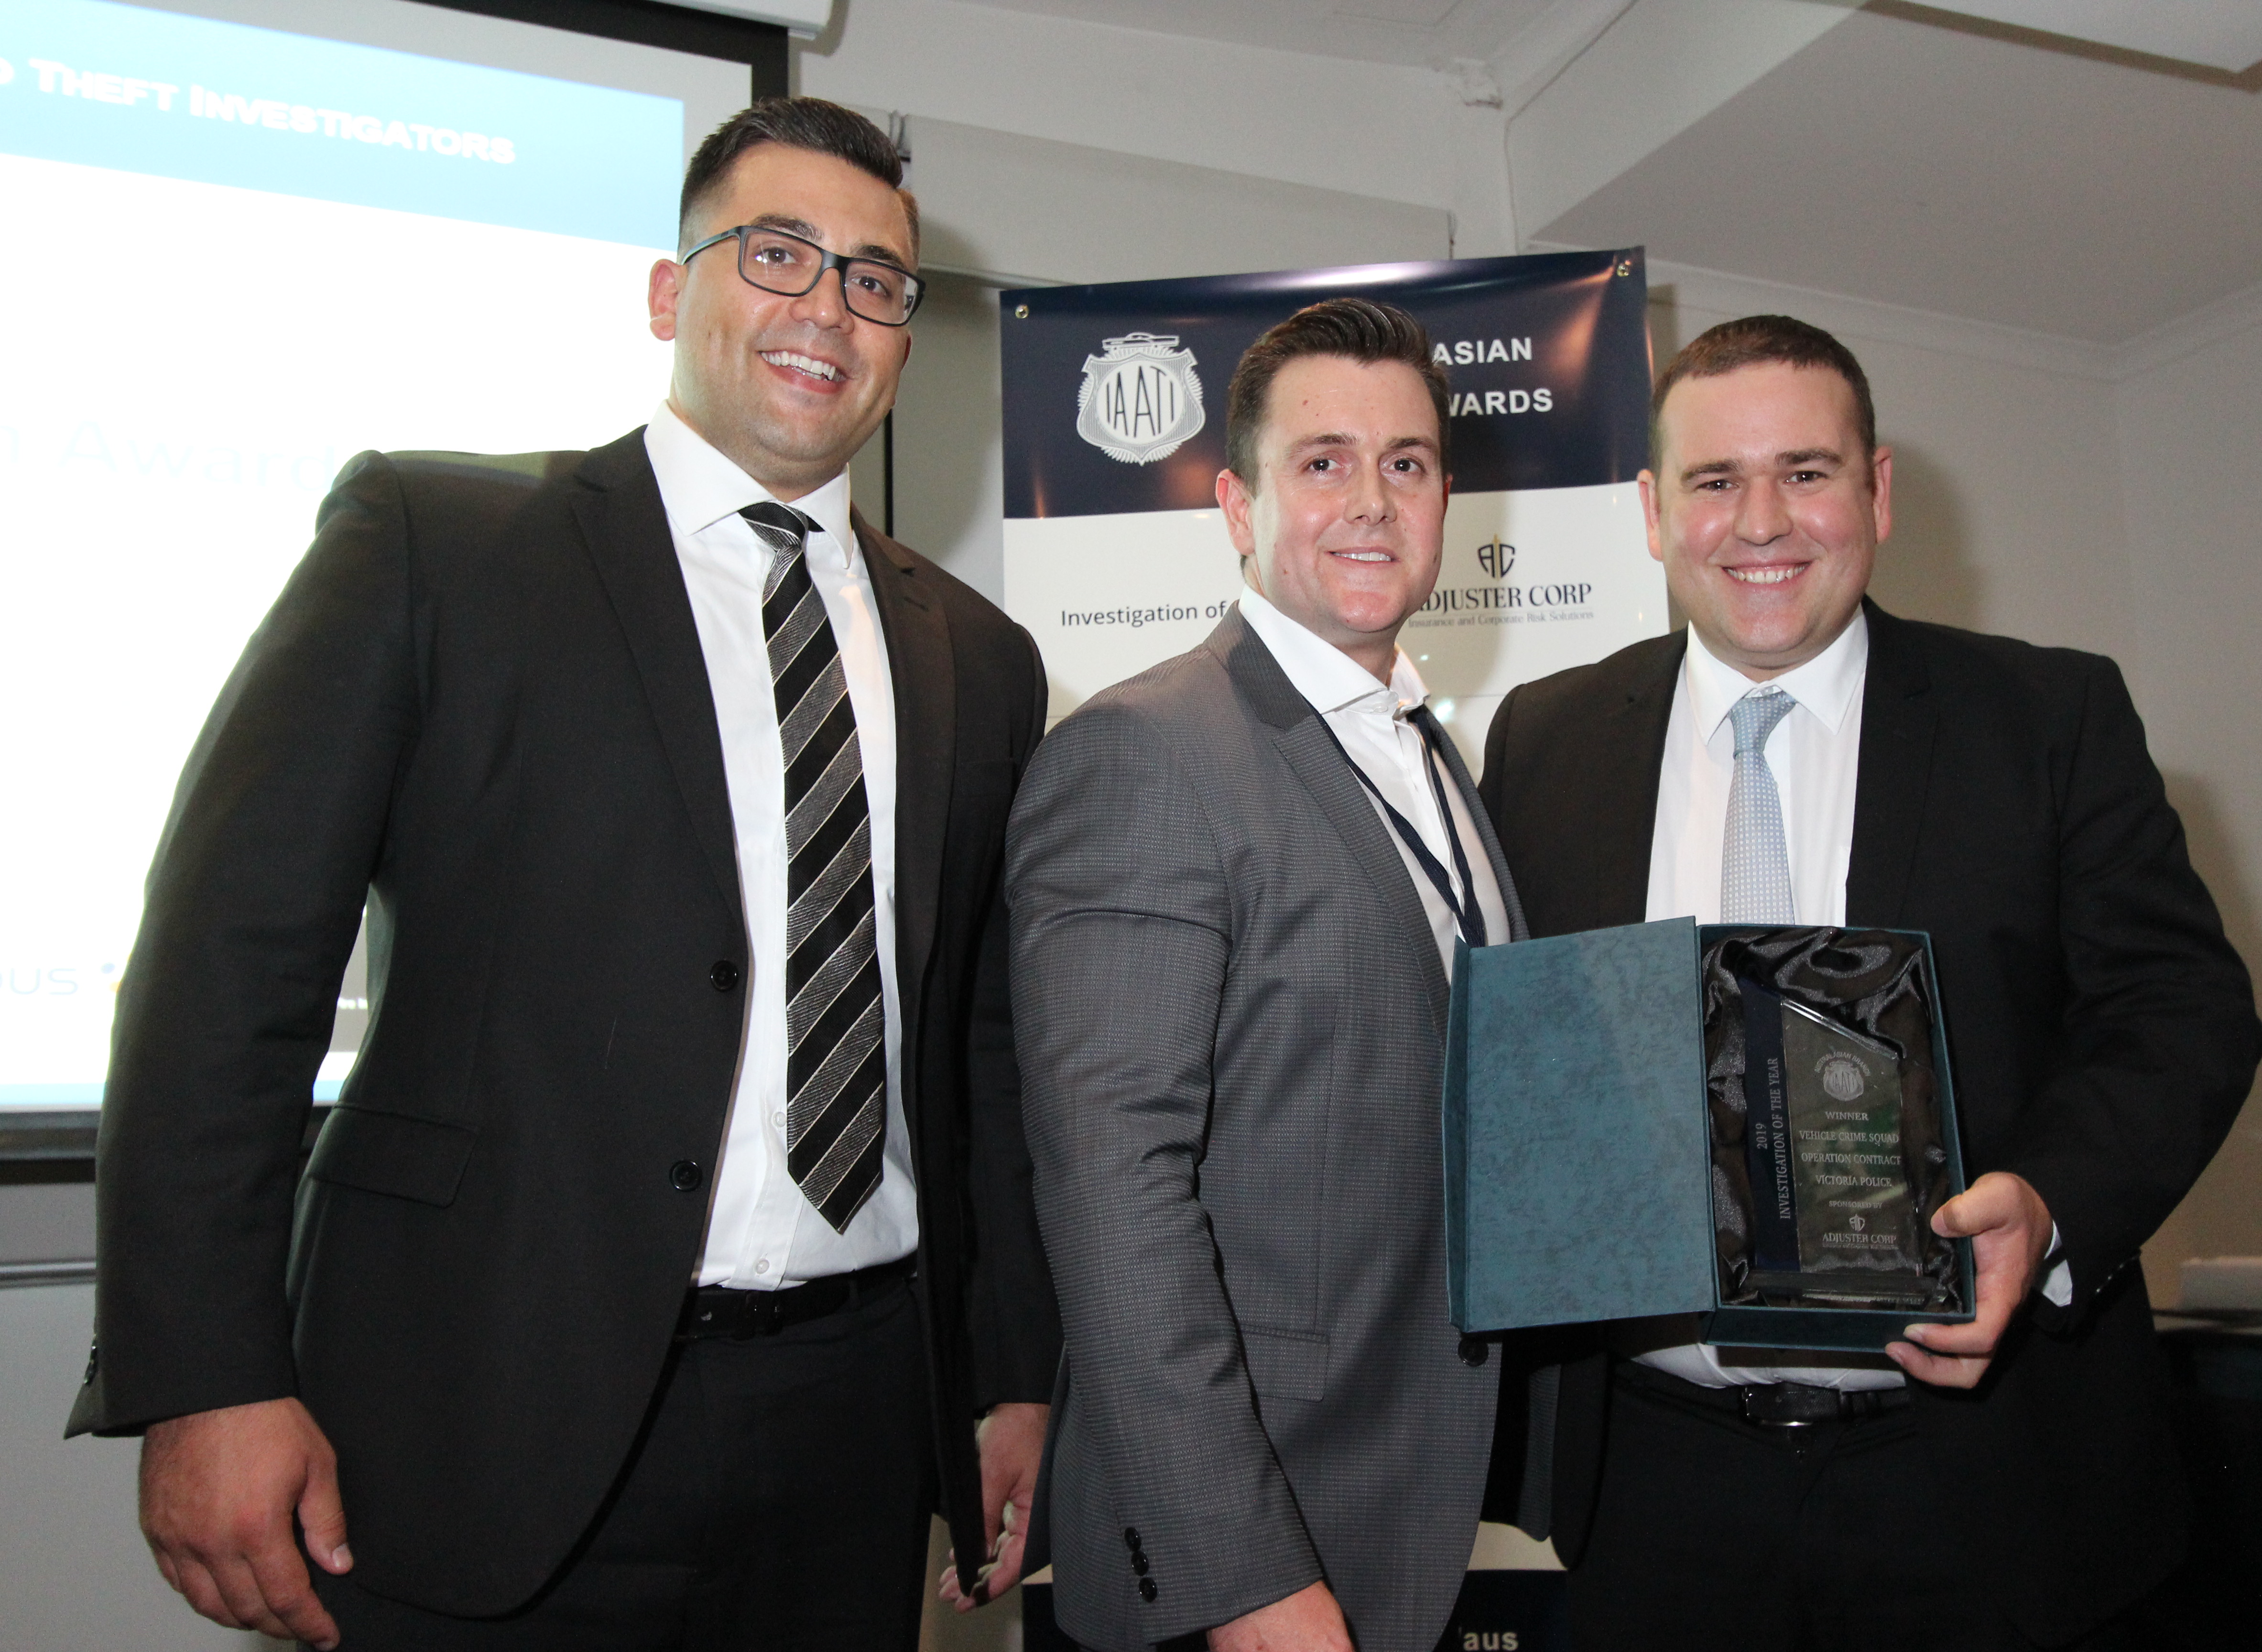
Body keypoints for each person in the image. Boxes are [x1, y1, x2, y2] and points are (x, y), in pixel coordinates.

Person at [67, 98, 1057, 1651]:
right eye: (779, 253)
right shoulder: (439, 542)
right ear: (672, 295)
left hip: (858, 1427)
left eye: (875, 281)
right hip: (483, 1407)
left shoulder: (980, 662)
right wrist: (205, 1375)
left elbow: (978, 1047)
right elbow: (224, 975)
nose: (827, 308)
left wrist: (1009, 1371)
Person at [1479, 315, 2262, 1650]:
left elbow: (2185, 1016)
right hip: (1655, 1488)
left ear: (1879, 491)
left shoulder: (2047, 718)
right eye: (1715, 482)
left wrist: (2053, 1205)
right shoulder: (1546, 739)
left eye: (1808, 471)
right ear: (1652, 512)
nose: (1762, 522)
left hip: (1980, 1473)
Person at [1008, 297, 1531, 1652]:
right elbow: (1111, 1191)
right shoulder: (1145, 753)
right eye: (1324, 462)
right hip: (1248, 1558)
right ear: (1235, 504)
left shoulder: (1434, 757)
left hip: (1407, 1500)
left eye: (1407, 463)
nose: (1372, 500)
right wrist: (1242, 1578)